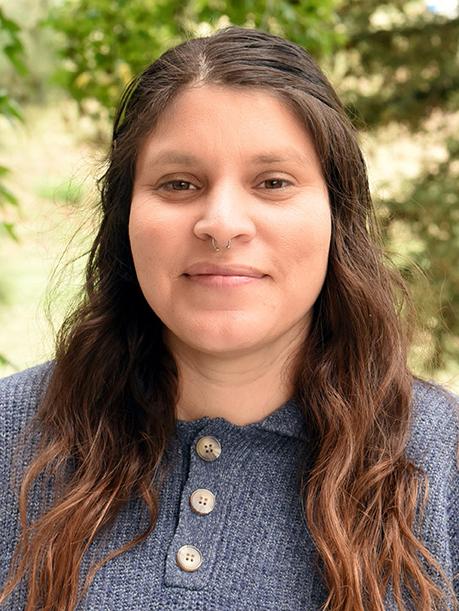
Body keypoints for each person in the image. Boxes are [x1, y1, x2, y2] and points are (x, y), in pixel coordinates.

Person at [0, 25, 458, 611]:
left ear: (337, 216)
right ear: (126, 217)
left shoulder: (442, 456)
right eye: (179, 183)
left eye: (272, 183)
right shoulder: (13, 435)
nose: (221, 223)